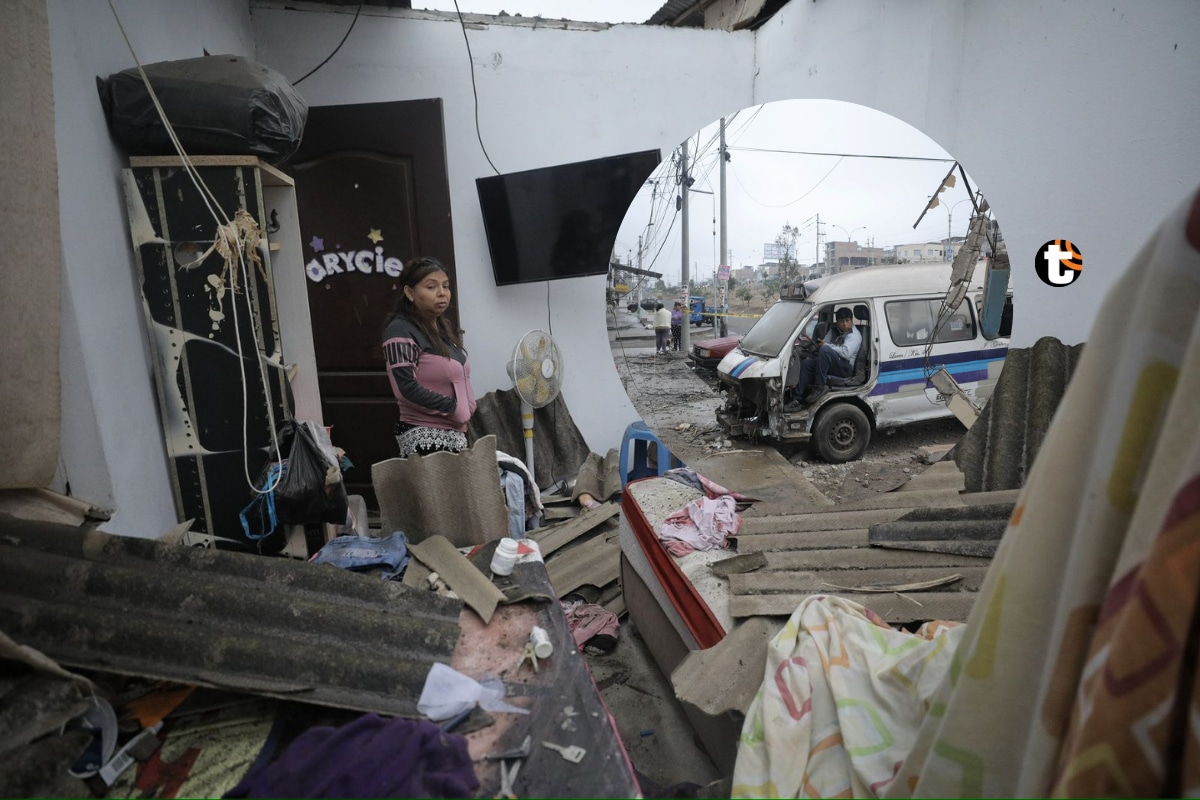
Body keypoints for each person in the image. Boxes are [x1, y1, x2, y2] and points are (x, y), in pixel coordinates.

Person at [382, 256, 476, 456]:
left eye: (445, 286)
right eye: (432, 287)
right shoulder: (400, 330)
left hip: (455, 434)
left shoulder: (442, 329)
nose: (442, 293)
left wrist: (468, 406)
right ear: (409, 292)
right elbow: (405, 388)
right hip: (424, 436)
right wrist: (454, 408)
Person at [785, 306, 862, 410]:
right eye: (841, 321)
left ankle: (819, 387)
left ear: (851, 321)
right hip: (834, 363)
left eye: (847, 321)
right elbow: (825, 341)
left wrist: (826, 346)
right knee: (806, 365)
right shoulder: (834, 330)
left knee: (825, 350)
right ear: (837, 322)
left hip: (845, 368)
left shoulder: (854, 335)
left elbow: (845, 353)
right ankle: (796, 399)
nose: (845, 324)